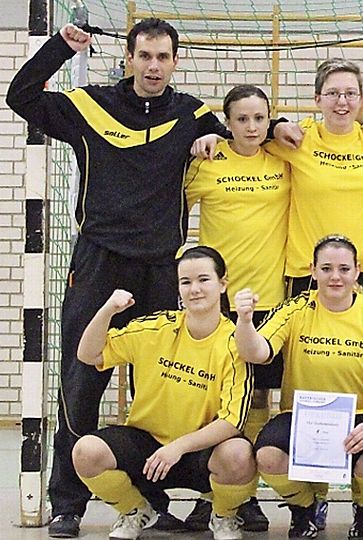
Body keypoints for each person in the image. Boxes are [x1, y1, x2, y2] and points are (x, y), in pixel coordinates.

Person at [6, 19, 231, 537]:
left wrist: (214, 138)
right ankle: (68, 502)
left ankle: (147, 503)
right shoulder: (87, 106)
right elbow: (20, 94)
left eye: (163, 58)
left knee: (159, 392)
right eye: (145, 56)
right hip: (99, 264)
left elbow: (240, 130)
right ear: (129, 59)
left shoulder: (192, 113)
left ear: (176, 62)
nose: (154, 67)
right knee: (81, 383)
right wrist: (60, 47)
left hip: (162, 271)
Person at [69, 246, 255, 540]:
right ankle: (137, 512)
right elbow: (88, 354)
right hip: (149, 449)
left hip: (198, 452)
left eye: (204, 280)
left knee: (239, 454)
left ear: (222, 284)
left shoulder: (235, 343)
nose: (194, 289)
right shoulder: (156, 328)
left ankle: (223, 516)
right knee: (86, 452)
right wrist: (108, 310)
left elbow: (231, 422)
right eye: (186, 282)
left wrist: (178, 447)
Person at [234, 234, 363, 539]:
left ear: (357, 270)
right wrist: (245, 321)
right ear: (312, 271)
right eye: (326, 269)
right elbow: (255, 353)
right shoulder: (294, 309)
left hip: (362, 415)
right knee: (268, 456)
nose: (335, 277)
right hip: (304, 416)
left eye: (343, 269)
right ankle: (304, 510)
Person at [182, 84, 290, 531]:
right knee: (216, 402)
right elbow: (165, 210)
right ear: (227, 122)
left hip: (268, 301)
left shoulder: (283, 161)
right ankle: (215, 493)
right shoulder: (208, 162)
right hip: (217, 306)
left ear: (269, 120)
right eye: (241, 119)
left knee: (260, 397)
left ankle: (248, 497)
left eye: (259, 118)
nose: (251, 127)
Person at [265, 58, 363, 302]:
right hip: (310, 274)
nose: (342, 101)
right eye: (332, 93)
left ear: (362, 99)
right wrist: (275, 126)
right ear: (317, 99)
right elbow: (245, 130)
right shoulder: (298, 139)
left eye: (350, 93)